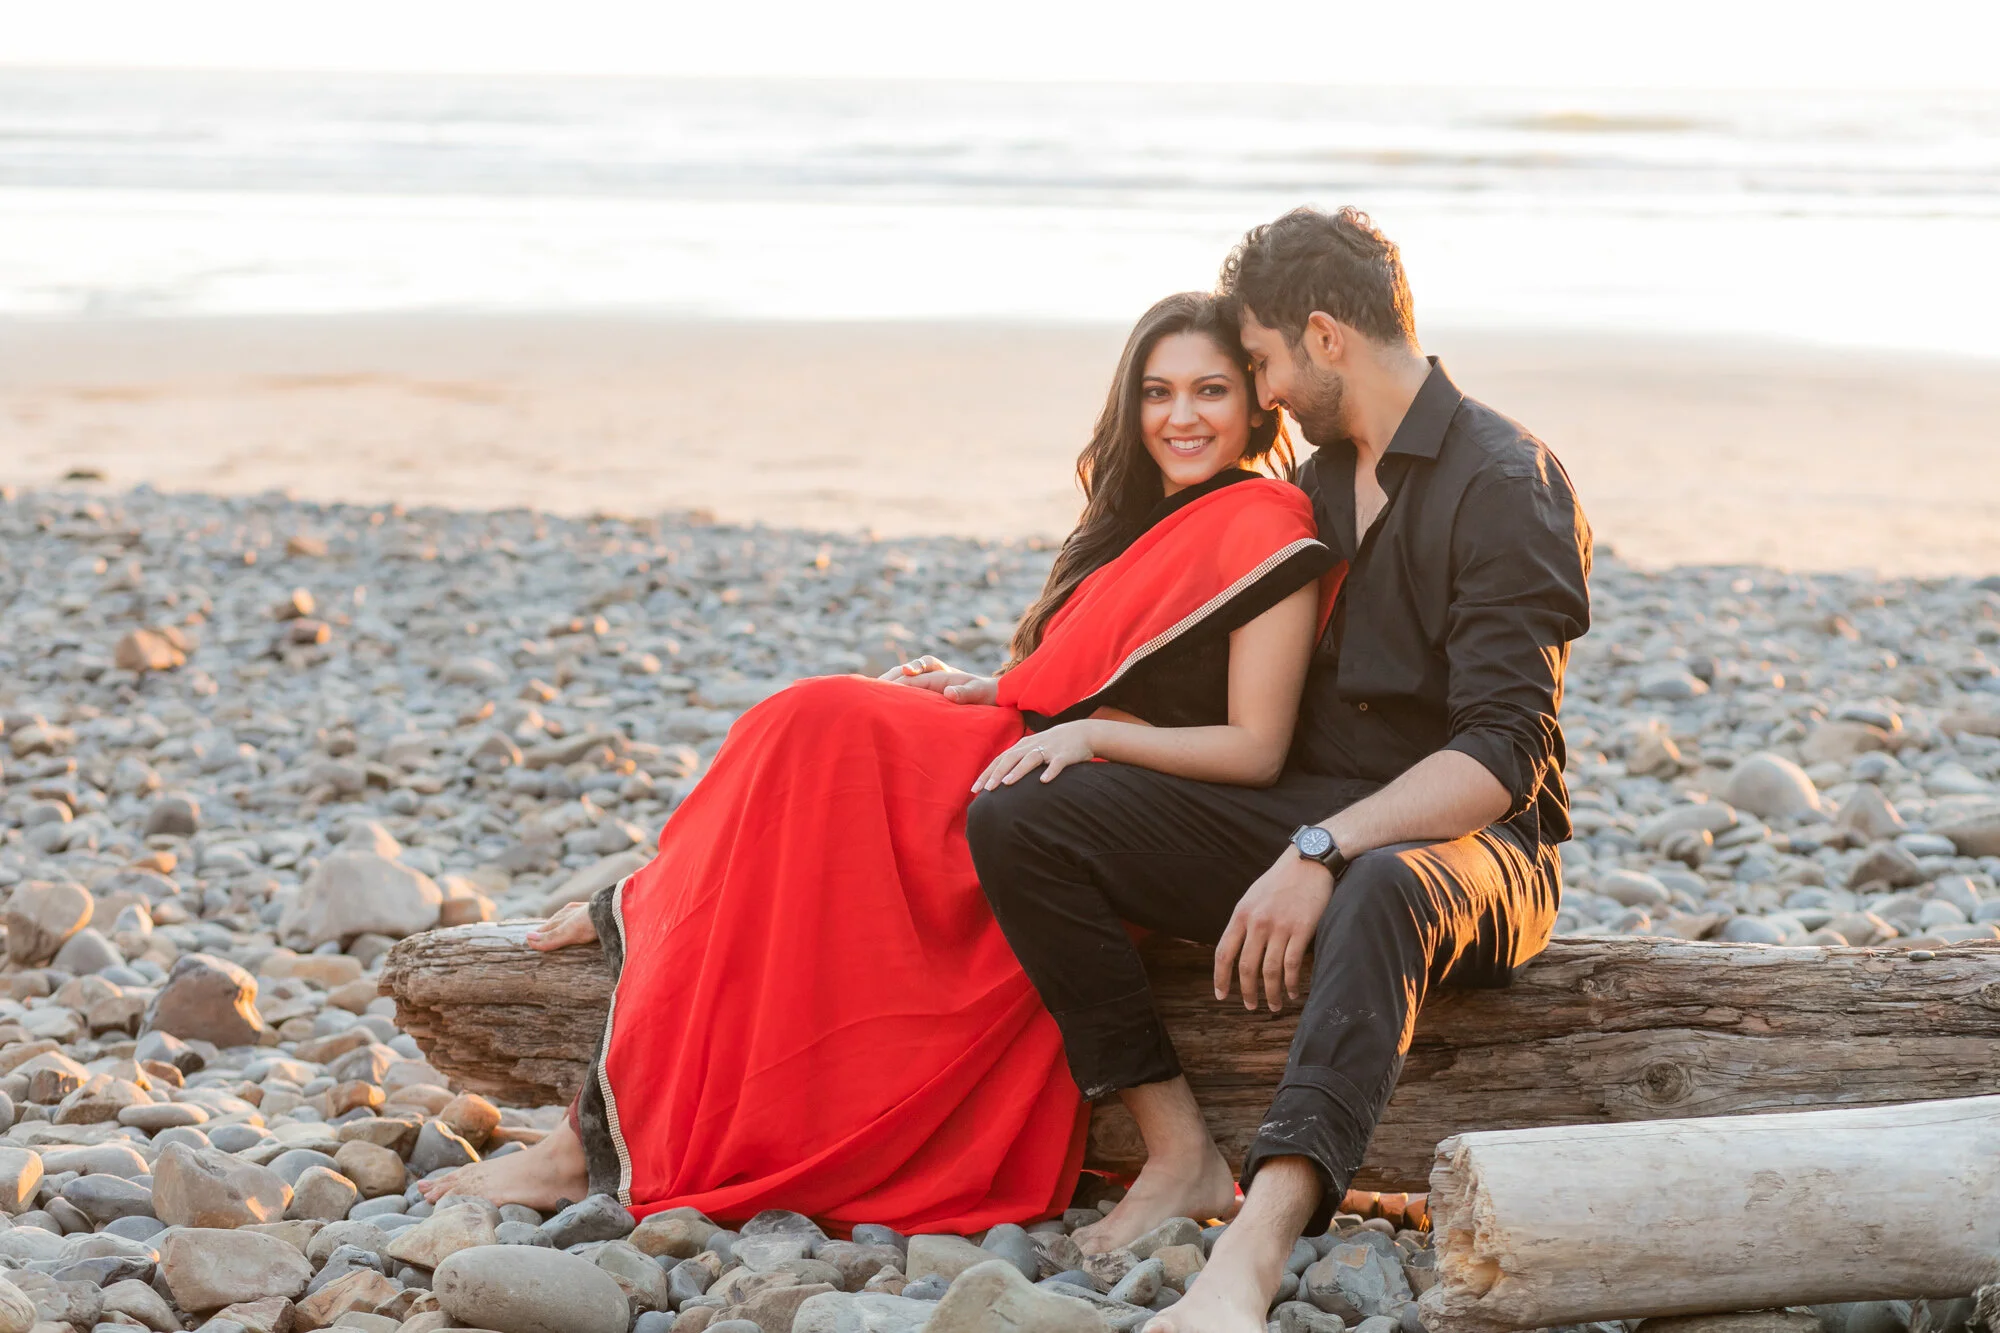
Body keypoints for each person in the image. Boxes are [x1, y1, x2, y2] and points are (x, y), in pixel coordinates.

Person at [416, 291, 1345, 1234]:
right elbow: (1099, 673)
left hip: (1093, 804)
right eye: (1157, 391)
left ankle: (598, 1095)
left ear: (1258, 402)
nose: (1180, 416)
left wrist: (1092, 736)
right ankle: (647, 921)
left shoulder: (1267, 521)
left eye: (1210, 390)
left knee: (815, 731)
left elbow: (1253, 748)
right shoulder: (1154, 518)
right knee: (803, 728)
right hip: (1033, 750)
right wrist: (994, 686)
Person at [967, 205, 1592, 1327]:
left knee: (1382, 881)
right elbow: (1206, 656)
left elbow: (1500, 755)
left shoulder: (1506, 480)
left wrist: (1324, 846)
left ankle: (1255, 1243)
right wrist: (1025, 692)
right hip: (1309, 817)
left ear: (1321, 335)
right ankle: (1175, 1147)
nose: (1256, 392)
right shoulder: (1314, 484)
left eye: (1255, 362)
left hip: (1473, 848)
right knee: (1028, 817)